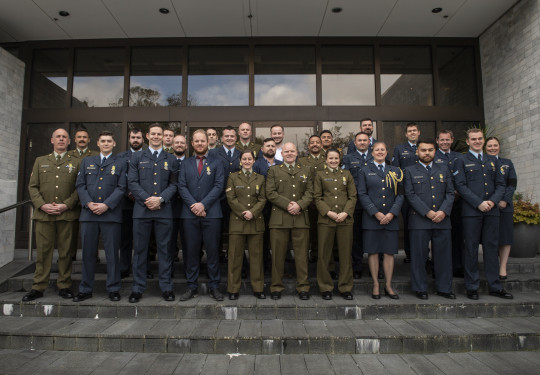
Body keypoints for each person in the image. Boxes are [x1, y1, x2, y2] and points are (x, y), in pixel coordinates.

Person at [453, 128, 512, 300]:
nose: (477, 141)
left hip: (492, 210)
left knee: (491, 248)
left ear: (483, 140)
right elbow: (461, 185)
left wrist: (492, 202)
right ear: (468, 141)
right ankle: (472, 286)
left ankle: (495, 285)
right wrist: (478, 203)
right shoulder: (461, 160)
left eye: (480, 139)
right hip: (472, 211)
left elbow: (501, 184)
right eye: (474, 139)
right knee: (471, 248)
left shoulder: (492, 160)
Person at [23, 128, 81, 301]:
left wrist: (66, 205)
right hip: (44, 215)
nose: (61, 140)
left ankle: (64, 285)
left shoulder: (76, 162)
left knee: (65, 252)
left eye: (64, 137)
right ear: (52, 140)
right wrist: (42, 205)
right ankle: (38, 286)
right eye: (58, 137)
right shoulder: (40, 161)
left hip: (66, 215)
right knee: (43, 252)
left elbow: (80, 188)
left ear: (69, 141)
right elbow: (33, 186)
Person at [127, 124, 179, 303]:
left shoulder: (170, 159)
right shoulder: (137, 157)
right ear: (148, 136)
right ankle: (137, 288)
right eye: (154, 134)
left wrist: (160, 199)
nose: (157, 137)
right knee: (140, 251)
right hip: (142, 211)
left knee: (165, 251)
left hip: (163, 211)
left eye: (160, 134)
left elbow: (174, 184)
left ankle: (166, 287)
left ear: (164, 137)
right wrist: (148, 199)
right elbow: (132, 182)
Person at [73, 131, 127, 302]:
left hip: (110, 214)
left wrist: (106, 205)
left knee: (111, 254)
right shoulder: (87, 161)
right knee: (88, 254)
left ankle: (113, 288)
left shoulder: (120, 163)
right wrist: (89, 203)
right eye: (103, 141)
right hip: (89, 214)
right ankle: (85, 288)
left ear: (114, 144)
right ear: (97, 143)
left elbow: (122, 187)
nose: (105, 143)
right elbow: (80, 185)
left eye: (109, 141)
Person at [403, 140, 456, 300]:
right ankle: (420, 288)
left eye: (430, 150)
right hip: (419, 220)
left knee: (443, 256)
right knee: (419, 256)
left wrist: (443, 211)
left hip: (442, 219)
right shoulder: (409, 170)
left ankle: (444, 288)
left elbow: (450, 193)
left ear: (435, 151)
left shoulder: (444, 169)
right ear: (417, 152)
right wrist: (427, 212)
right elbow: (410, 195)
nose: (427, 153)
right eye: (423, 150)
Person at [178, 129, 225, 301]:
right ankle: (192, 286)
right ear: (192, 143)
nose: (199, 143)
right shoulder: (185, 163)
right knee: (191, 252)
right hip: (190, 215)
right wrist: (194, 205)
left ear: (208, 142)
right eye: (196, 141)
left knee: (213, 251)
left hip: (212, 214)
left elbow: (219, 185)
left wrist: (203, 204)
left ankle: (214, 286)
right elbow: (181, 186)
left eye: (202, 141)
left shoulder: (217, 162)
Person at [266, 142, 314, 300]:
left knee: (301, 256)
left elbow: (310, 192)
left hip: (300, 218)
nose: (289, 154)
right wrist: (288, 205)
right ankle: (276, 287)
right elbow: (270, 193)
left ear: (297, 152)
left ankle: (303, 287)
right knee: (278, 256)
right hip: (279, 220)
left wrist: (299, 205)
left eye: (292, 151)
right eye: (286, 151)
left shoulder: (306, 170)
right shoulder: (273, 170)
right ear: (282, 154)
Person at [357, 142, 404, 300]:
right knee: (373, 251)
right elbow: (362, 194)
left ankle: (388, 285)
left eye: (382, 149)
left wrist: (392, 213)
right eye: (376, 150)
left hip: (391, 218)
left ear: (386, 152)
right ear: (372, 152)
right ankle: (376, 284)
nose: (379, 152)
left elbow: (401, 195)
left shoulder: (396, 171)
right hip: (372, 218)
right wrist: (375, 212)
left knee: (389, 252)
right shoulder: (364, 170)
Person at [314, 149, 357, 300]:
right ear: (326, 160)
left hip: (345, 220)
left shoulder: (347, 175)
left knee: (345, 255)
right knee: (324, 255)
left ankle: (345, 287)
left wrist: (345, 212)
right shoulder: (319, 175)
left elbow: (352, 196)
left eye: (336, 158)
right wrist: (329, 212)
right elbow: (317, 198)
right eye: (330, 158)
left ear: (340, 159)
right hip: (326, 220)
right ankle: (325, 287)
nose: (333, 161)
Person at [226, 150, 267, 300]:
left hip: (255, 221)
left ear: (254, 161)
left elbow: (263, 199)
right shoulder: (232, 177)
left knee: (256, 258)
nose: (247, 161)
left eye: (250, 159)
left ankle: (258, 288)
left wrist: (253, 212)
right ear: (240, 161)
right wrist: (244, 212)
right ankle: (233, 289)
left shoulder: (261, 178)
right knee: (235, 257)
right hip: (238, 221)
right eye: (245, 159)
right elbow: (231, 198)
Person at [485, 136, 517, 280]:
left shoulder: (507, 163)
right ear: (485, 148)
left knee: (505, 237)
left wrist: (505, 200)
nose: (492, 148)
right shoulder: (482, 162)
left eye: (495, 145)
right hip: (487, 206)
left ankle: (502, 267)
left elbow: (512, 184)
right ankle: (491, 266)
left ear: (499, 146)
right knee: (491, 238)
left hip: (504, 206)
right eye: (490, 146)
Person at [342, 132, 373, 279]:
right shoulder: (348, 158)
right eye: (359, 140)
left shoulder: (377, 156)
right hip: (357, 203)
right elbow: (345, 180)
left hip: (375, 203)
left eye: (364, 140)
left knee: (374, 235)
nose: (362, 142)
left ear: (369, 142)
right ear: (354, 143)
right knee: (356, 237)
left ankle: (376, 268)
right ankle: (358, 266)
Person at [210, 126, 242, 263]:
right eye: (227, 136)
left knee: (234, 231)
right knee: (216, 230)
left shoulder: (241, 154)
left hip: (237, 199)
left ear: (236, 138)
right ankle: (217, 256)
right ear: (222, 138)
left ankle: (233, 257)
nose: (229, 138)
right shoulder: (213, 153)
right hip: (218, 198)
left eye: (232, 136)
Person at [434, 130, 464, 277]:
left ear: (452, 140)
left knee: (458, 236)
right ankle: (439, 268)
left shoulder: (459, 157)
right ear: (437, 141)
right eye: (442, 140)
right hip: (441, 204)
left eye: (447, 140)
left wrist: (458, 192)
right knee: (440, 238)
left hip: (458, 202)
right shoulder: (433, 156)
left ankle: (458, 266)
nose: (444, 142)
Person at [116, 128, 144, 279]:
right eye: (133, 137)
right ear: (129, 139)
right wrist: (129, 192)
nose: (135, 140)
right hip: (126, 204)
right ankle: (124, 268)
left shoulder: (148, 155)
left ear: (143, 139)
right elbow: (119, 178)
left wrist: (139, 194)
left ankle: (143, 269)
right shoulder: (120, 157)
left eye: (138, 137)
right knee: (125, 239)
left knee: (143, 239)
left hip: (143, 203)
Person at [392, 122, 421, 263]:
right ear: (406, 134)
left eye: (414, 130)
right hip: (406, 192)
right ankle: (410, 254)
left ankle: (423, 253)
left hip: (423, 192)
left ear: (419, 132)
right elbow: (396, 171)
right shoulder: (399, 149)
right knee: (409, 223)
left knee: (422, 224)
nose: (412, 133)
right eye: (410, 131)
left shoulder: (424, 147)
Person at [67, 128, 98, 261]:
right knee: (70, 230)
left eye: (84, 137)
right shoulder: (68, 155)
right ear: (74, 139)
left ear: (89, 140)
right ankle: (70, 255)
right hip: (72, 199)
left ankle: (93, 255)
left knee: (92, 231)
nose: (82, 139)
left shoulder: (96, 155)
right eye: (79, 137)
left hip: (90, 199)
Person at [253, 138, 283, 272]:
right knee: (263, 238)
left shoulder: (281, 164)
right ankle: (264, 266)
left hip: (279, 206)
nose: (270, 148)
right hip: (263, 207)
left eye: (273, 146)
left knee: (278, 238)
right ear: (262, 149)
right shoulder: (256, 164)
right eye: (268, 146)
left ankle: (278, 268)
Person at [298, 135, 326, 263]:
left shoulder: (327, 159)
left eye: (317, 142)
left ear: (321, 145)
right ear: (308, 146)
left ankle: (321, 255)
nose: (315, 144)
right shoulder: (302, 161)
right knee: (308, 231)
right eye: (312, 143)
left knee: (322, 231)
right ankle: (309, 255)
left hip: (324, 202)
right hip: (307, 203)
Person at [170, 134, 188, 277]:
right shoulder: (166, 162)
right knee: (169, 242)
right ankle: (168, 271)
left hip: (187, 208)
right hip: (168, 208)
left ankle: (188, 270)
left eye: (182, 143)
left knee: (188, 242)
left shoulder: (190, 163)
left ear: (186, 146)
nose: (179, 145)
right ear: (172, 145)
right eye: (177, 143)